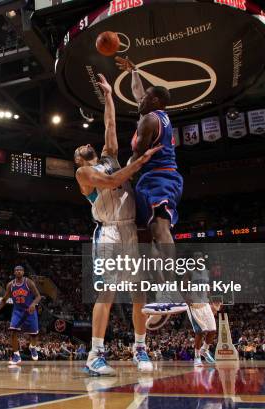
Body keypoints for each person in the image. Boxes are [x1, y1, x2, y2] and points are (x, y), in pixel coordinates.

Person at [74, 73, 162, 375]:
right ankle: (95, 355)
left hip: (129, 230)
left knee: (140, 292)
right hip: (108, 232)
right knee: (107, 291)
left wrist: (109, 95)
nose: (84, 144)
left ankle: (140, 348)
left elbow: (109, 125)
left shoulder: (110, 155)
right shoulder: (84, 175)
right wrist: (139, 162)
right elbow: (112, 181)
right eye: (78, 149)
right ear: (78, 160)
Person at [115, 56, 188, 318]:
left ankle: (171, 289)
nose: (140, 99)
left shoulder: (149, 121)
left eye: (146, 97)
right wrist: (134, 70)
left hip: (161, 177)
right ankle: (160, 294)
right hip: (150, 179)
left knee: (160, 227)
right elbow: (138, 93)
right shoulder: (155, 114)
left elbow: (137, 159)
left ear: (156, 101)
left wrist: (119, 176)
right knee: (146, 237)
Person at [0, 265, 42, 366]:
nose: (18, 271)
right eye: (16, 270)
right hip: (17, 311)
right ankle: (16, 355)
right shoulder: (10, 285)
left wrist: (33, 304)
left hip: (30, 311)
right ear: (14, 272)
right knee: (13, 331)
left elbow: (38, 296)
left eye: (20, 270)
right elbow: (4, 299)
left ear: (23, 272)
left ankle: (32, 347)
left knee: (34, 335)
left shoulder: (28, 282)